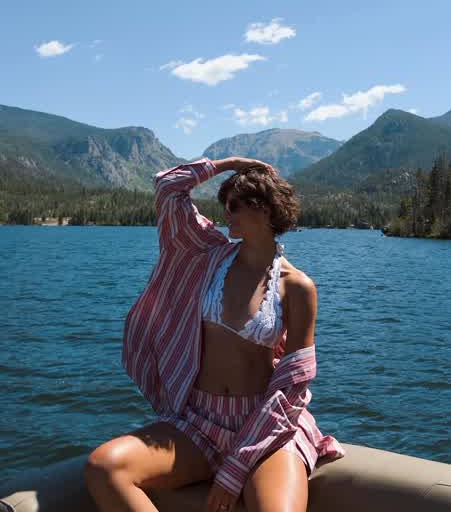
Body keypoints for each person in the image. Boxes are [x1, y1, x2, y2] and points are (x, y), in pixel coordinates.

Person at [84, 156, 346, 512]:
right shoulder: (208, 255)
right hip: (199, 421)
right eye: (225, 204)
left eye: (235, 205)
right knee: (104, 467)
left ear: (265, 210)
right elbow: (168, 188)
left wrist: (235, 468)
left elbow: (293, 385)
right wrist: (229, 164)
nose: (226, 213)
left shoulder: (297, 287)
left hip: (264, 427)